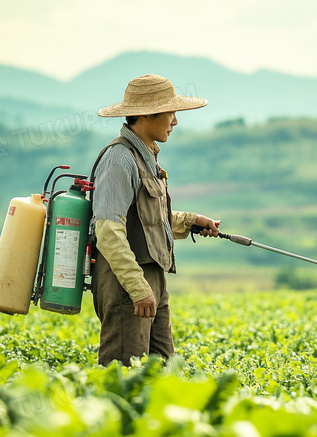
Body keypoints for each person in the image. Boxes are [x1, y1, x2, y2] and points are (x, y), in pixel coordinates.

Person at [90, 74, 219, 367]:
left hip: (153, 282)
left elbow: (147, 220)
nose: (175, 121)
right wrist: (137, 288)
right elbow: (108, 230)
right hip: (129, 284)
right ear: (148, 113)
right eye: (171, 112)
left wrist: (191, 221)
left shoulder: (146, 156)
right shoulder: (119, 159)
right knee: (125, 373)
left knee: (162, 370)